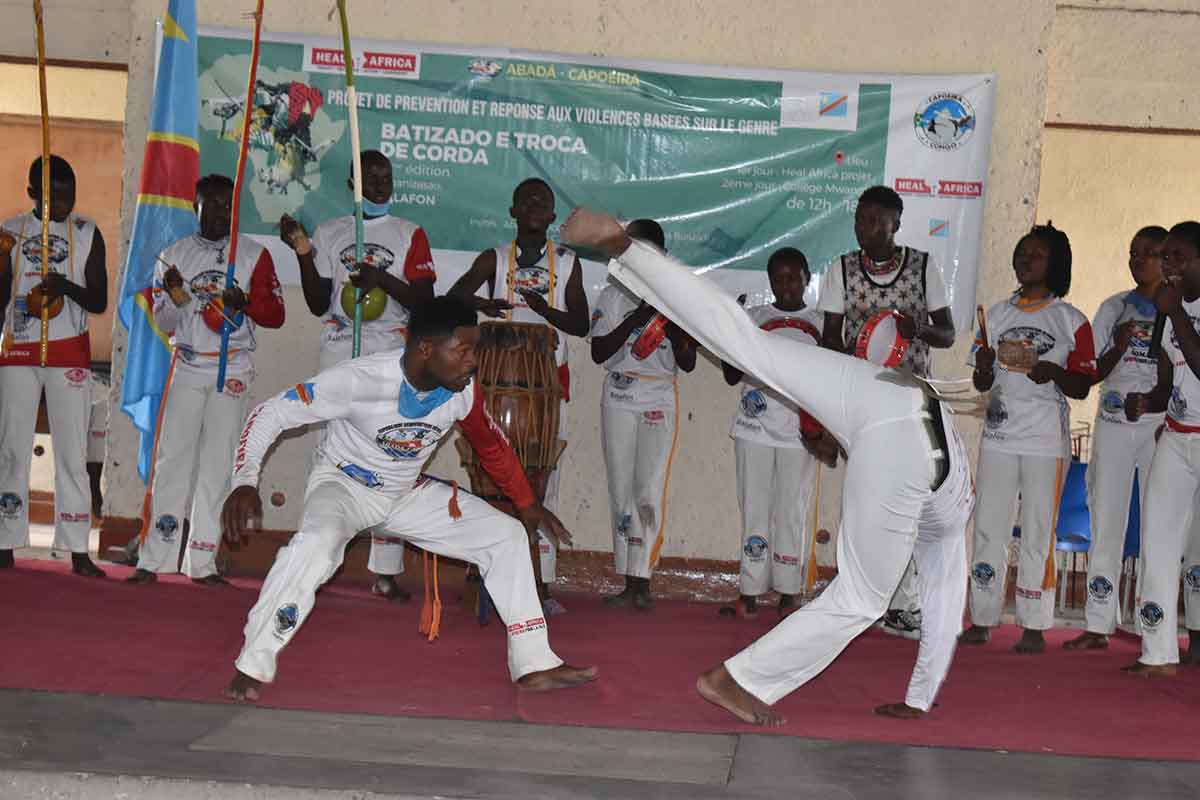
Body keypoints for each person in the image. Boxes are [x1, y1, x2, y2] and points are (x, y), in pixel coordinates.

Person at [560, 207, 973, 722]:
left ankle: (627, 248)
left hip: (889, 401)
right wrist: (919, 696)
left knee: (751, 345)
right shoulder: (950, 519)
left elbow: (944, 596)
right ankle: (734, 679)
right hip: (909, 437)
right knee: (865, 597)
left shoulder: (899, 399)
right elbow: (944, 601)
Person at [219, 295, 597, 701]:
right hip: (344, 488)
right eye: (464, 350)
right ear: (425, 349)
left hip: (404, 493)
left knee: (505, 537)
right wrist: (244, 481)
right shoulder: (358, 380)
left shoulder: (463, 392)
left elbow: (492, 447)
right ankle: (251, 666)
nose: (473, 362)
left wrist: (527, 504)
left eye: (476, 350)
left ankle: (534, 664)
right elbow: (270, 413)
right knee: (314, 549)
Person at [279, 149, 436, 602]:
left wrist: (381, 279)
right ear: (353, 183)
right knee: (328, 454)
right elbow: (315, 302)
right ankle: (314, 561)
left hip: (389, 355)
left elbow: (424, 303)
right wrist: (305, 253)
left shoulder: (409, 234)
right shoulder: (331, 232)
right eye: (369, 175)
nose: (380, 182)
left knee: (389, 454)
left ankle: (385, 569)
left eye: (385, 175)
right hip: (338, 351)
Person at [128, 174, 285, 585]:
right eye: (209, 204)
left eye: (224, 204)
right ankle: (155, 556)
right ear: (194, 207)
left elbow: (276, 315)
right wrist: (174, 293)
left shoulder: (251, 254)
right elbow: (163, 321)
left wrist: (245, 303)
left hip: (231, 368)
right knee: (172, 460)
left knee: (218, 466)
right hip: (190, 364)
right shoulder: (175, 254)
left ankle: (201, 561)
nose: (217, 212)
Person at [818, 185, 956, 640]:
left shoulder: (922, 266)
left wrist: (917, 329)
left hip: (911, 403)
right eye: (860, 219)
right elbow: (829, 341)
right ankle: (860, 597)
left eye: (876, 220)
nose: (866, 227)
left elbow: (948, 334)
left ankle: (905, 604)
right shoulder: (840, 269)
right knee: (863, 501)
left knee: (909, 503)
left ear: (896, 222)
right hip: (860, 402)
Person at [449, 178, 589, 611]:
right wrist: (480, 305)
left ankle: (539, 582)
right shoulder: (495, 258)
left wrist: (548, 312)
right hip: (495, 383)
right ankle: (484, 573)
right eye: (526, 200)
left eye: (542, 202)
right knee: (490, 478)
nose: (533, 206)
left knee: (542, 479)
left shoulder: (566, 262)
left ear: (551, 217)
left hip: (545, 386)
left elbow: (581, 323)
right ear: (512, 211)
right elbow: (455, 297)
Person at [961, 224, 1095, 653]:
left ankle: (1034, 623)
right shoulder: (996, 315)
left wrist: (1053, 372)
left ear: (1054, 262)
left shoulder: (1071, 320)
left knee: (1039, 531)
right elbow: (983, 383)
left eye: (1036, 253)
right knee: (988, 528)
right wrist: (983, 366)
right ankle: (982, 617)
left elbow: (1082, 386)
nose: (1025, 258)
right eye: (1022, 251)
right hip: (999, 436)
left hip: (1045, 443)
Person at [0, 155, 107, 577]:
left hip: (68, 351)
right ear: (32, 194)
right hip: (19, 350)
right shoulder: (10, 231)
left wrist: (66, 286)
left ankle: (78, 547)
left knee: (72, 450)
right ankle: (6, 538)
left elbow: (98, 300)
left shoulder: (86, 232)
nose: (64, 204)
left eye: (69, 195)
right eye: (54, 196)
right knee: (11, 446)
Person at [1066, 226, 1167, 651]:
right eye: (1133, 253)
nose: (1138, 260)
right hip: (1113, 422)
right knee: (1106, 518)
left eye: (1150, 253)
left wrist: (1160, 405)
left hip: (1163, 426)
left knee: (1159, 524)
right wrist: (1118, 345)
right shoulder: (1114, 308)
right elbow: (1091, 374)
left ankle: (1152, 623)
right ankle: (1099, 622)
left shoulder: (1181, 309)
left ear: (1170, 258)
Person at [589, 218, 697, 611]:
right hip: (619, 392)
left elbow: (688, 363)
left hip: (657, 397)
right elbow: (598, 353)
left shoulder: (676, 297)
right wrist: (636, 320)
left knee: (648, 490)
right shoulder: (613, 295)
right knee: (621, 490)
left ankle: (643, 578)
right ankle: (626, 576)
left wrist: (671, 330)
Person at [721, 247, 824, 616]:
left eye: (793, 278)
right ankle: (748, 591)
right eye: (778, 279)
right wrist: (731, 330)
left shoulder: (821, 324)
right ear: (770, 282)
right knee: (754, 508)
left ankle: (789, 590)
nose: (786, 286)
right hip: (754, 427)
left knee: (792, 509)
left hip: (800, 433)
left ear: (807, 279)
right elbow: (731, 375)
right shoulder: (755, 318)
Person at [1123, 221, 1200, 676]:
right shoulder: (1169, 311)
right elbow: (1171, 377)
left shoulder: (1175, 310)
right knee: (1158, 538)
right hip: (1176, 435)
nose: (1167, 266)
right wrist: (1149, 402)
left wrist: (1177, 315)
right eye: (1165, 257)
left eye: (1177, 257)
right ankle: (1157, 652)